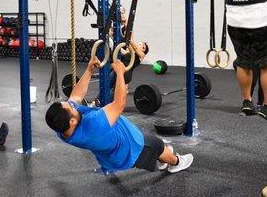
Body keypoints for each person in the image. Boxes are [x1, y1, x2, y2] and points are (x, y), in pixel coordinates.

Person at [45, 58, 193, 174]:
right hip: (130, 151)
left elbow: (76, 96)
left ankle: (162, 158)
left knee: (156, 145)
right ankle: (176, 163)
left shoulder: (62, 128)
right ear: (72, 121)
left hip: (112, 152)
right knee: (158, 145)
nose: (71, 104)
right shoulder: (92, 125)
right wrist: (121, 73)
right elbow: (119, 104)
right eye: (70, 107)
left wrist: (89, 71)